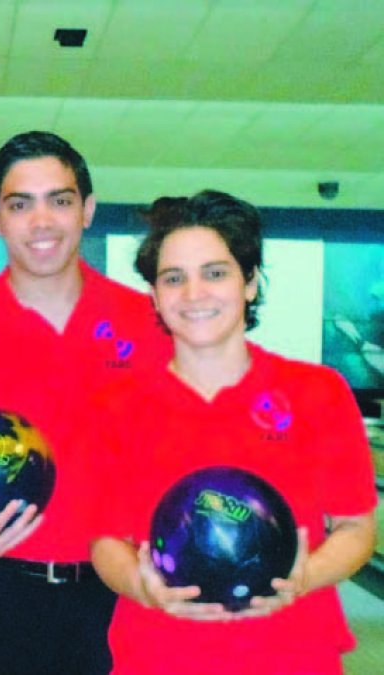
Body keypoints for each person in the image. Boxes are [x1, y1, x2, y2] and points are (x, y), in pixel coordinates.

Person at [0, 130, 172, 674]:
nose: (42, 222)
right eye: (21, 205)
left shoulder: (149, 323)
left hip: (120, 598)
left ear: (88, 210)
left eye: (60, 200)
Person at [89, 190, 378, 674]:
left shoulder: (317, 392)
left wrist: (305, 575)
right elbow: (105, 541)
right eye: (174, 278)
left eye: (215, 273)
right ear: (155, 296)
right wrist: (144, 589)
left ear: (250, 282)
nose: (194, 293)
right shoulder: (116, 406)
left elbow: (356, 528)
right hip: (158, 655)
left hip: (293, 655)